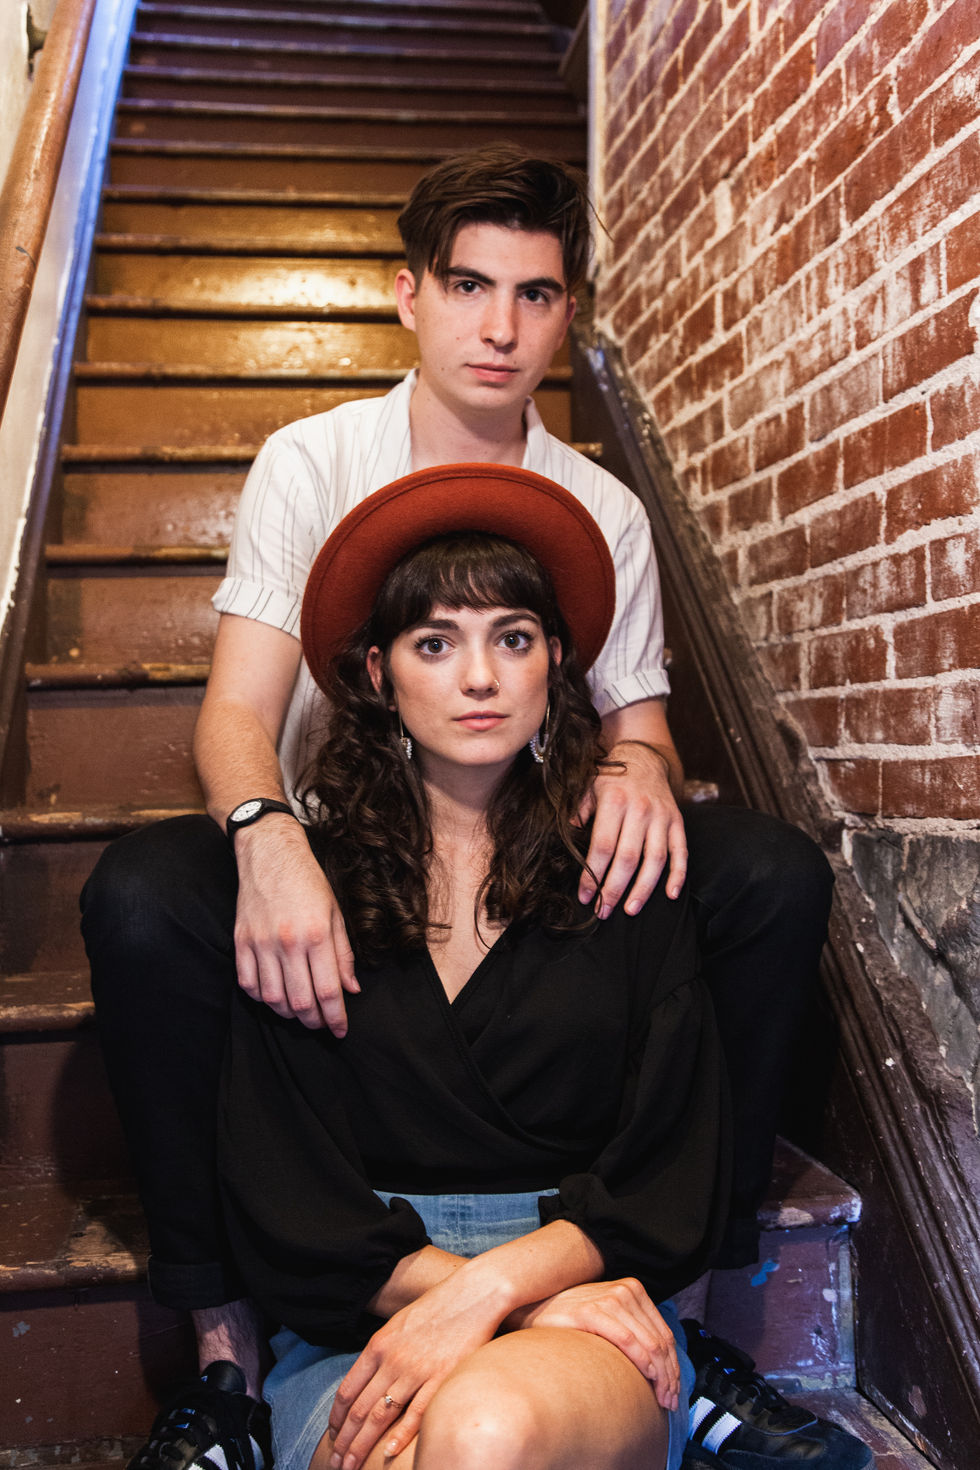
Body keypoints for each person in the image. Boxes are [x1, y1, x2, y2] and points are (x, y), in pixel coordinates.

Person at [81, 145, 858, 1470]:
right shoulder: (312, 458)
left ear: (567, 314)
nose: (500, 327)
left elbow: (639, 723)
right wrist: (269, 840)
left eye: (535, 295)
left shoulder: (603, 505)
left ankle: (685, 1327)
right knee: (146, 896)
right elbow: (234, 713)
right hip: (344, 829)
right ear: (409, 294)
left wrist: (636, 770)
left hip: (524, 820)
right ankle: (225, 1361)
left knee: (767, 872)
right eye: (468, 286)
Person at [218, 463, 731, 1470]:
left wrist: (507, 1289)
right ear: (378, 674)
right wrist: (468, 1299)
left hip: (586, 1307)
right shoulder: (302, 897)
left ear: (555, 664)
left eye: (513, 638)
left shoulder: (625, 872)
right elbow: (286, 1195)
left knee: (485, 1430)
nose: (481, 677)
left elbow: (670, 1170)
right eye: (435, 643)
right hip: (364, 1315)